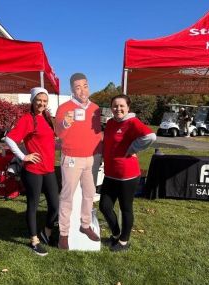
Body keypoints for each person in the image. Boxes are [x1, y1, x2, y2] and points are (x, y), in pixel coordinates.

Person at [5, 87, 59, 256]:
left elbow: (49, 142)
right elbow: (9, 138)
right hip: (33, 170)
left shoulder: (47, 118)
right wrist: (23, 157)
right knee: (33, 206)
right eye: (38, 100)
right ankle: (35, 240)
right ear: (33, 101)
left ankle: (47, 232)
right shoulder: (28, 119)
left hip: (49, 169)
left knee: (55, 205)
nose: (41, 103)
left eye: (44, 101)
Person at [99, 94, 156, 252]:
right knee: (104, 206)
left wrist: (132, 149)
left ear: (128, 107)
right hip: (110, 173)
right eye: (115, 106)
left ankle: (124, 241)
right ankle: (116, 233)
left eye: (121, 106)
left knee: (126, 208)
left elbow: (150, 136)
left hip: (127, 175)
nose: (118, 109)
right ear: (111, 108)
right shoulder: (110, 122)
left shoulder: (132, 122)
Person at [55, 73, 102, 250]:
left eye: (85, 85)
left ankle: (85, 225)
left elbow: (96, 133)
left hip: (89, 158)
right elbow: (58, 132)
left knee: (89, 194)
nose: (82, 90)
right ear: (72, 90)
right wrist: (65, 124)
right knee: (67, 198)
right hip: (71, 158)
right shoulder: (64, 108)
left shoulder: (95, 108)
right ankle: (63, 235)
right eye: (78, 87)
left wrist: (101, 152)